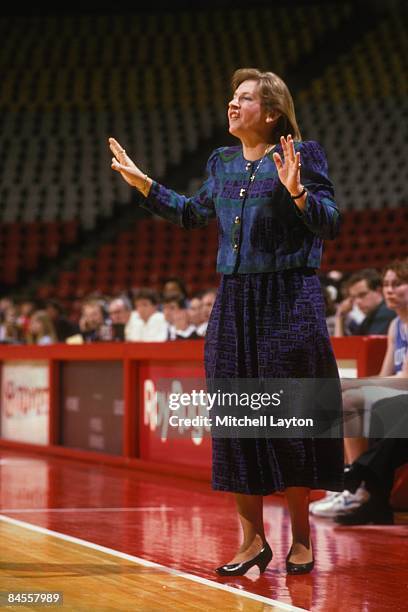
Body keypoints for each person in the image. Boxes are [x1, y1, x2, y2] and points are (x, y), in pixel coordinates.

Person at [109, 67, 344, 575]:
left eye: (244, 98)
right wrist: (144, 183)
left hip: (289, 298)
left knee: (290, 417)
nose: (232, 105)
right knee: (238, 419)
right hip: (233, 302)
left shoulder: (302, 156)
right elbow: (194, 214)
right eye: (232, 98)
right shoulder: (221, 162)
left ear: (273, 111)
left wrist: (299, 192)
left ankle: (300, 537)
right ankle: (252, 540)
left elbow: (331, 222)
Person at [311, 258, 408, 519]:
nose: (389, 290)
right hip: (399, 395)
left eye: (397, 284)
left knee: (349, 398)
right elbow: (387, 375)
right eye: (386, 284)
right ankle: (352, 482)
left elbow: (405, 380)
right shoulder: (395, 325)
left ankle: (355, 482)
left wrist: (355, 384)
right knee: (341, 397)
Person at [334, 268, 395, 337]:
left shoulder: (386, 312)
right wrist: (340, 316)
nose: (357, 302)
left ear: (379, 291)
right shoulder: (370, 316)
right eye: (354, 298)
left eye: (362, 295)